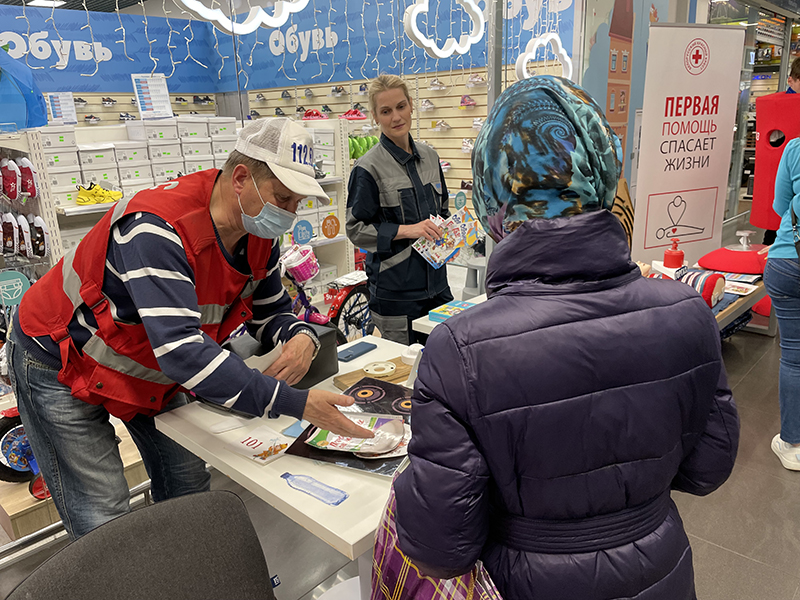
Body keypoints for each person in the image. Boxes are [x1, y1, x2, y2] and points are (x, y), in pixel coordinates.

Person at [385, 76, 740, 600]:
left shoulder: (460, 352)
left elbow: (438, 547)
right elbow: (709, 465)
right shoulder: (688, 314)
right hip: (661, 572)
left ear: (491, 189)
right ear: (600, 170)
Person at [8, 118, 371, 540]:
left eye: (297, 202)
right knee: (104, 516)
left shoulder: (257, 231)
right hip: (58, 356)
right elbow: (182, 351)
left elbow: (271, 313)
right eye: (283, 198)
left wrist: (302, 336)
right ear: (241, 178)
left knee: (187, 483)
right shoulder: (156, 227)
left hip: (146, 361)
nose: (289, 215)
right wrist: (293, 402)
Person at [346, 74, 452, 345]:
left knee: (446, 362)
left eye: (401, 106)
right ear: (375, 117)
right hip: (396, 295)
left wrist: (451, 233)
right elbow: (356, 230)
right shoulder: (367, 168)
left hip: (438, 287)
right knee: (401, 377)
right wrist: (407, 230)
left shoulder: (430, 156)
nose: (396, 117)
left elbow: (442, 210)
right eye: (386, 111)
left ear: (411, 105)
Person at [764, 136, 800, 469]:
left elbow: (780, 207)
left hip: (789, 261)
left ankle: (792, 445)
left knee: (794, 356)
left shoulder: (795, 149)